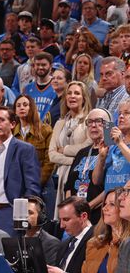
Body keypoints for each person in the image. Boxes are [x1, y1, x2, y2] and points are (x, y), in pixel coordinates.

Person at [0, 105, 41, 235]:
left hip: (13, 212)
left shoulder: (25, 149)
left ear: (13, 124)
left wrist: (23, 215)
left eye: (1, 120)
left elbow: (32, 187)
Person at [49, 81, 90, 211]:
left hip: (81, 176)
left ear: (84, 98)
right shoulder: (59, 123)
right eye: (69, 93)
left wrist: (65, 150)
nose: (72, 96)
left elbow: (87, 146)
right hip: (60, 177)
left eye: (77, 93)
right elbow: (52, 154)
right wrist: (75, 161)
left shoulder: (90, 120)